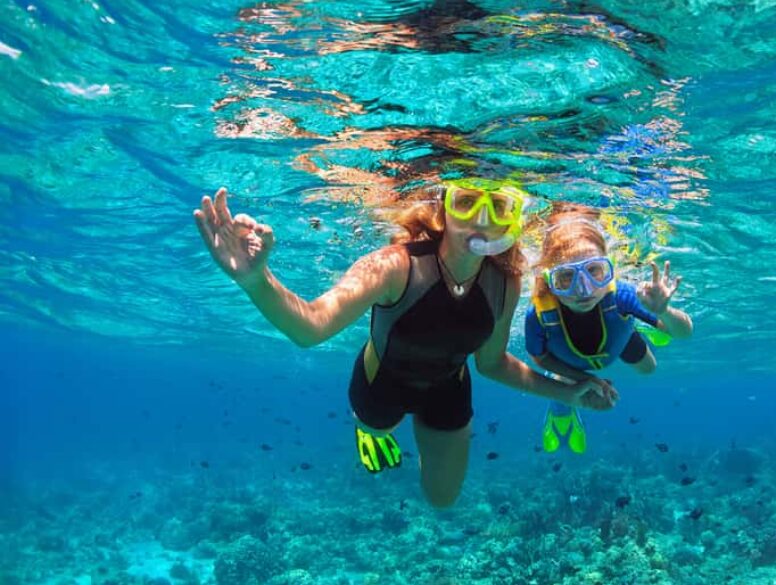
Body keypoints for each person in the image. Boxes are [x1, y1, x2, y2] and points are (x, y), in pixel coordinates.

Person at [193, 179, 617, 507]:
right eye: (466, 202)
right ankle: (370, 432)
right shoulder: (395, 265)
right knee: (377, 426)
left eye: (498, 206)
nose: (482, 219)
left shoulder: (505, 282)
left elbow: (491, 364)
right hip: (382, 383)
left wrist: (570, 392)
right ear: (443, 210)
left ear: (510, 218)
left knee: (442, 500)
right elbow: (311, 327)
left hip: (449, 387)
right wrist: (255, 279)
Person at [524, 209, 693, 454]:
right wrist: (586, 380)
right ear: (549, 280)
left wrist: (664, 311)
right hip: (568, 361)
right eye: (566, 277)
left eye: (594, 271)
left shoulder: (622, 294)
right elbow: (539, 358)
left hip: (618, 339)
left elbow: (684, 332)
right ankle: (561, 413)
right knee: (563, 385)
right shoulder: (538, 314)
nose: (583, 289)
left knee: (649, 368)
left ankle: (647, 322)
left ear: (610, 268)